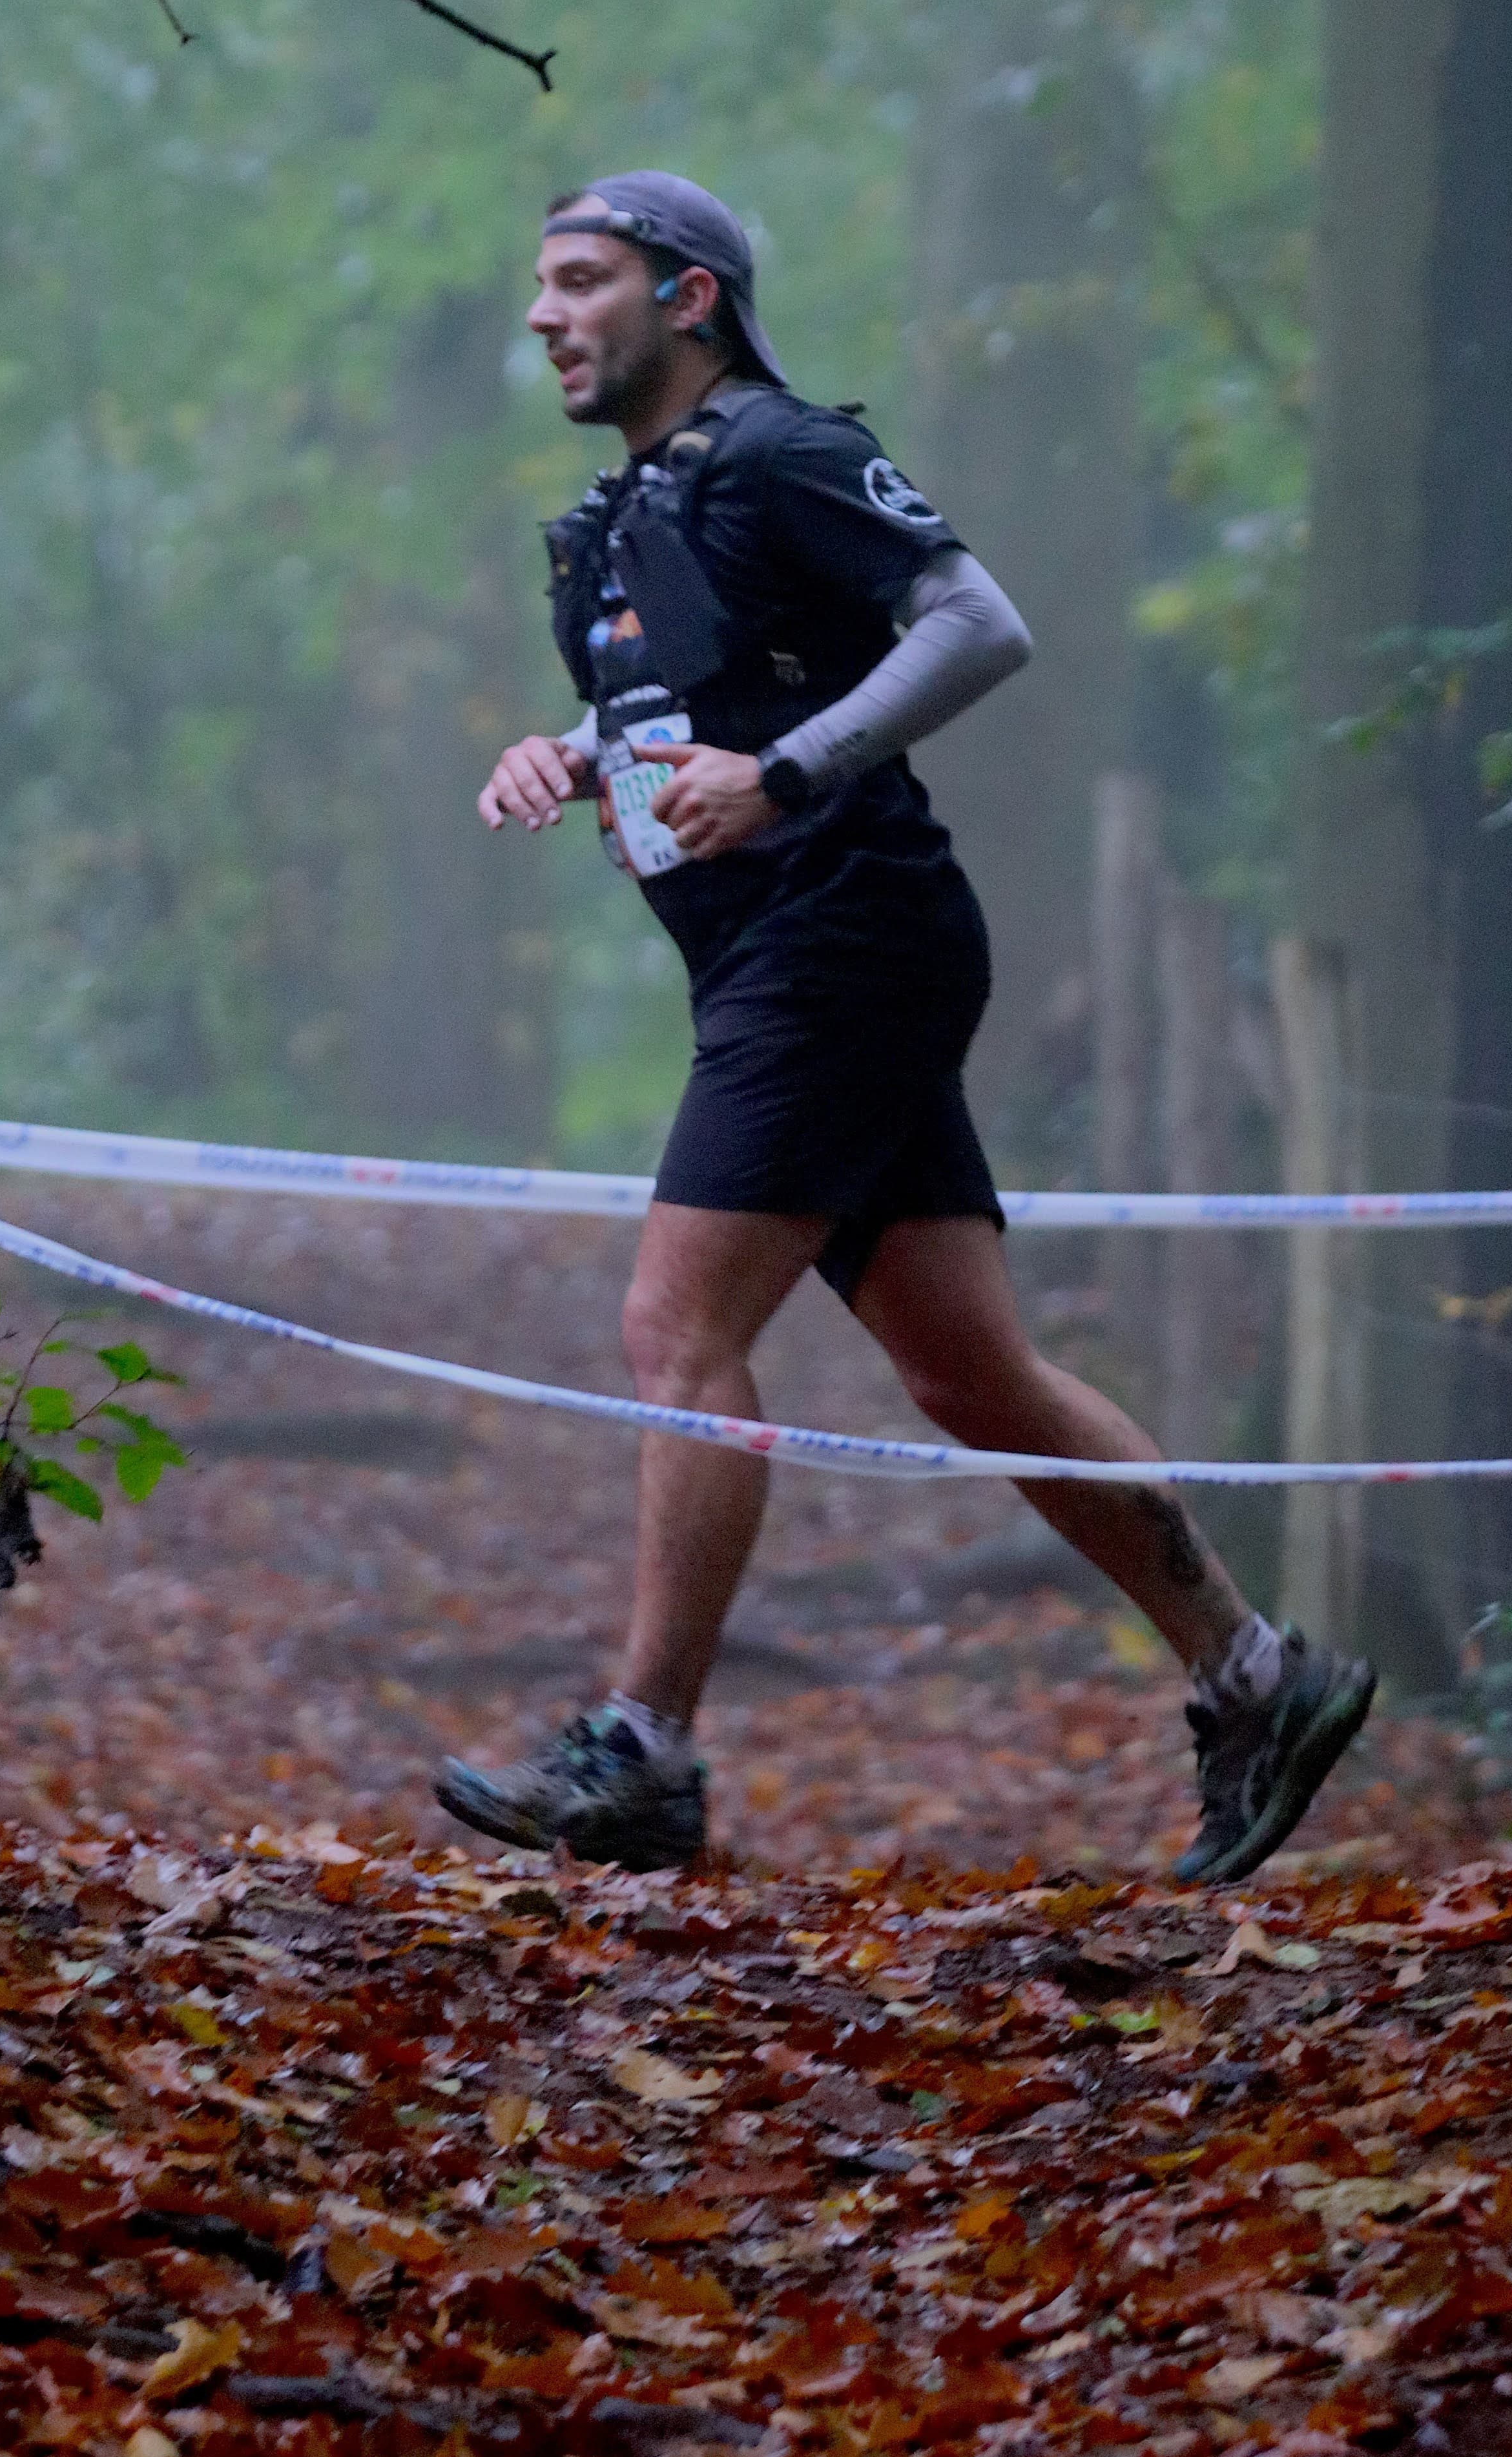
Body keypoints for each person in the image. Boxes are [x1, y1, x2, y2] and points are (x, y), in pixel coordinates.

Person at [435, 171, 1375, 1885]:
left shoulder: (788, 450)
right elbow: (680, 707)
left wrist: (792, 772)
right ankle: (1255, 1675)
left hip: (843, 940)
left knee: (674, 1324)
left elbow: (975, 622)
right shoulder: (616, 521)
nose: (543, 312)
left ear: (690, 294)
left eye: (581, 280)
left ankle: (642, 1748)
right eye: (541, 285)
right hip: (773, 961)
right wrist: (567, 753)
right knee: (968, 1371)